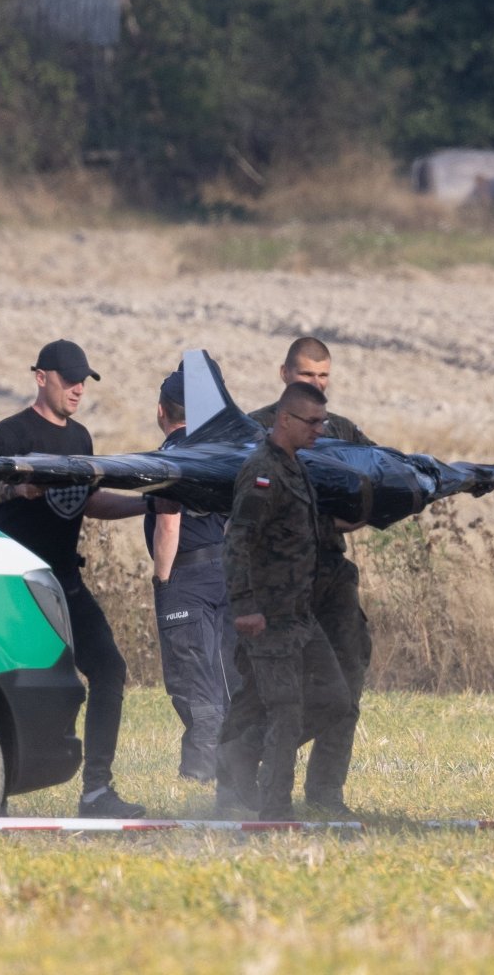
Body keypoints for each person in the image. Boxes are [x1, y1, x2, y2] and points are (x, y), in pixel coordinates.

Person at [0, 339, 148, 819]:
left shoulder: (81, 439)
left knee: (109, 670)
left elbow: (87, 502)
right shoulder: (10, 433)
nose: (78, 388)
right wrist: (18, 488)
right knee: (8, 682)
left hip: (65, 581)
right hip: (15, 585)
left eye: (84, 380)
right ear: (41, 377)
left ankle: (97, 792)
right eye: (69, 379)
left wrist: (148, 503)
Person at [249, 336, 374, 815]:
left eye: (323, 376)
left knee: (348, 681)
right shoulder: (258, 430)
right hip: (280, 582)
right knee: (267, 694)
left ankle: (326, 792)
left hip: (331, 573)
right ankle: (244, 771)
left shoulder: (340, 430)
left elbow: (374, 483)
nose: (317, 384)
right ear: (284, 375)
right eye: (306, 376)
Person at [217, 381, 352, 820]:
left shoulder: (297, 468)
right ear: (285, 419)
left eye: (323, 422)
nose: (320, 430)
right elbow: (238, 541)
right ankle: (275, 810)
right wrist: (245, 606)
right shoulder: (263, 472)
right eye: (312, 422)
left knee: (335, 701)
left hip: (300, 616)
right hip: (268, 616)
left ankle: (242, 751)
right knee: (286, 710)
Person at [145, 367, 238, 782]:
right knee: (225, 680)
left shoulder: (170, 458)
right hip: (226, 572)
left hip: (188, 579)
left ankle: (199, 782)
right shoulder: (220, 453)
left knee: (196, 689)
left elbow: (169, 523)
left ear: (161, 411)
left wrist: (162, 583)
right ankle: (235, 777)